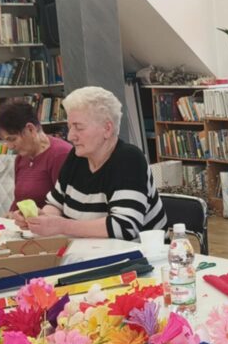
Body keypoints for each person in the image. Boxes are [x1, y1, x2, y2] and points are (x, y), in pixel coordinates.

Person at [17, 86, 167, 240]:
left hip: (139, 252)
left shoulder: (129, 160)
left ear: (107, 129)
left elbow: (124, 227)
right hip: (89, 249)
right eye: (69, 127)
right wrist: (39, 219)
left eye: (78, 128)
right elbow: (56, 205)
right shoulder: (76, 157)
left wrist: (62, 226)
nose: (70, 136)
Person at [0, 99, 71, 215]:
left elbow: (66, 205)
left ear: (31, 129)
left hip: (49, 223)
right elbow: (19, 200)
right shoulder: (21, 158)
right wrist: (11, 214)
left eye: (12, 139)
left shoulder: (60, 155)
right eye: (5, 141)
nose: (10, 147)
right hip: (28, 223)